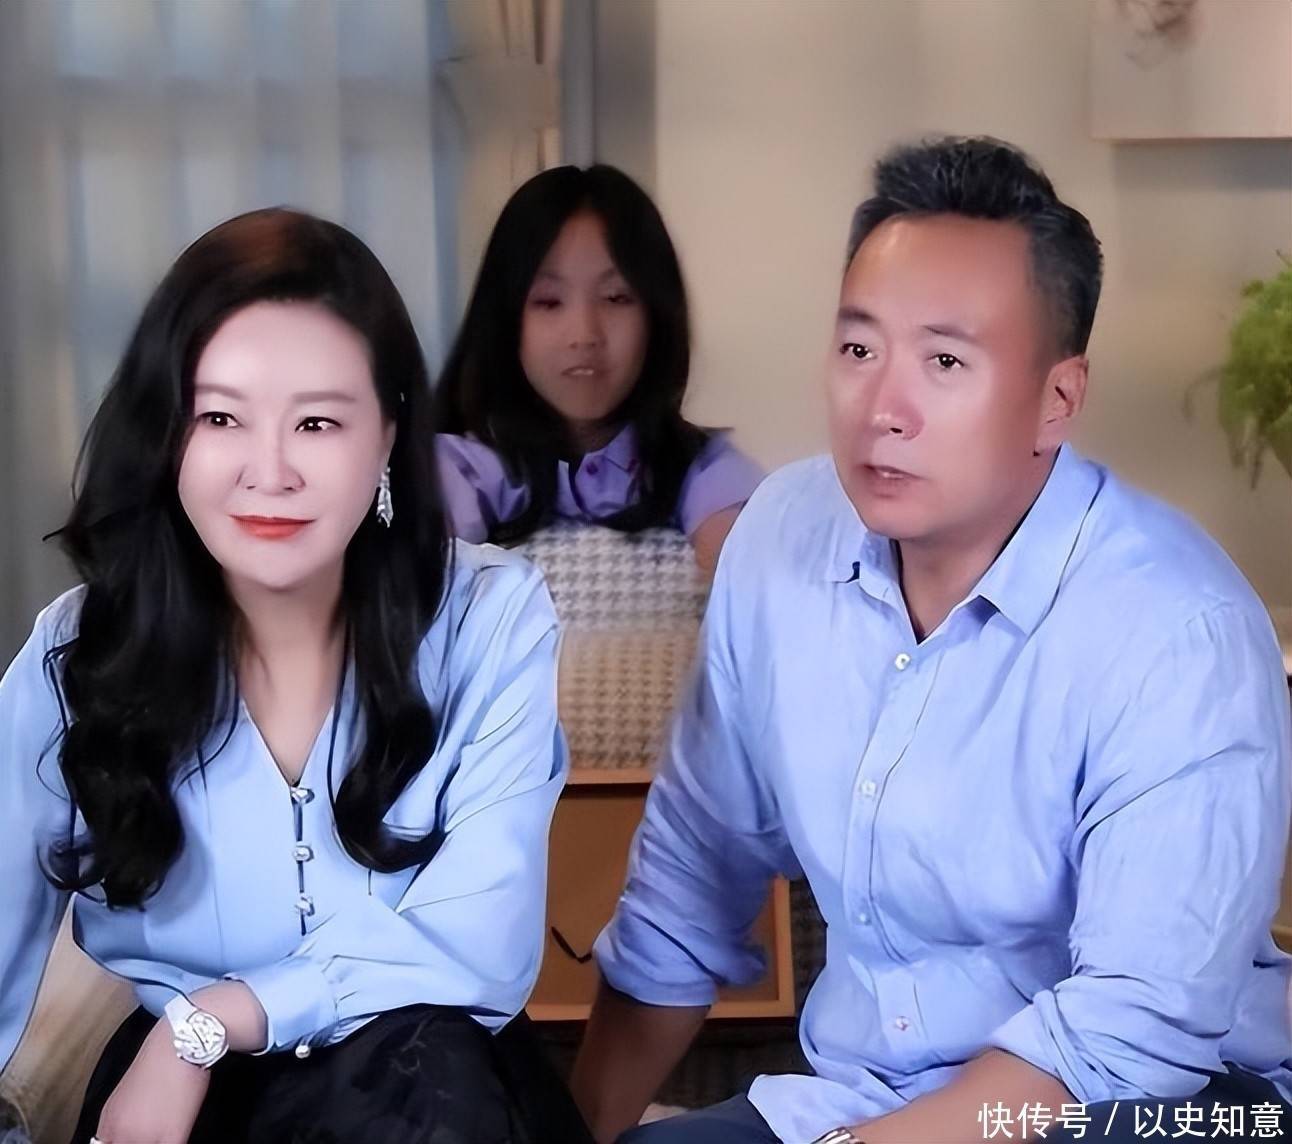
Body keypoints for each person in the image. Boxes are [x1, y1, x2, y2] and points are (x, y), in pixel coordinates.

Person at [569, 137, 1292, 1143]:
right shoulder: (779, 541)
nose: (882, 410)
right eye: (859, 350)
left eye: (944, 362)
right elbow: (686, 886)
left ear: (1056, 399)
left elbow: (1129, 1036)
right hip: (866, 1098)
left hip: (1139, 1109)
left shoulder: (1178, 634)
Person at [0, 207, 590, 1143]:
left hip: (432, 1087)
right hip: (186, 1110)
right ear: (168, 433)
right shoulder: (77, 654)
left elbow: (480, 936)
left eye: (316, 421)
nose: (268, 472)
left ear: (388, 433)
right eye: (220, 417)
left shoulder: (490, 620)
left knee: (431, 1061)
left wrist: (207, 1025)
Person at [433, 164, 763, 574]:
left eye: (615, 297)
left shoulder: (699, 467)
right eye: (549, 301)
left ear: (658, 316)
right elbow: (424, 572)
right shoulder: (467, 464)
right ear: (504, 319)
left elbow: (747, 575)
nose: (584, 334)